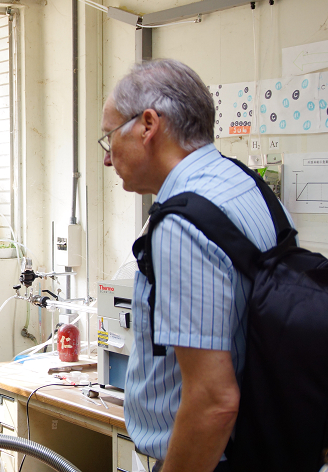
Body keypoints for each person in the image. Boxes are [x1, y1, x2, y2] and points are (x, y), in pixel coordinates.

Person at [99, 59, 280, 472]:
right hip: (266, 443)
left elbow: (213, 402)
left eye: (110, 137)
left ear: (148, 125)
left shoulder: (183, 224)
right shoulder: (250, 187)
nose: (108, 159)